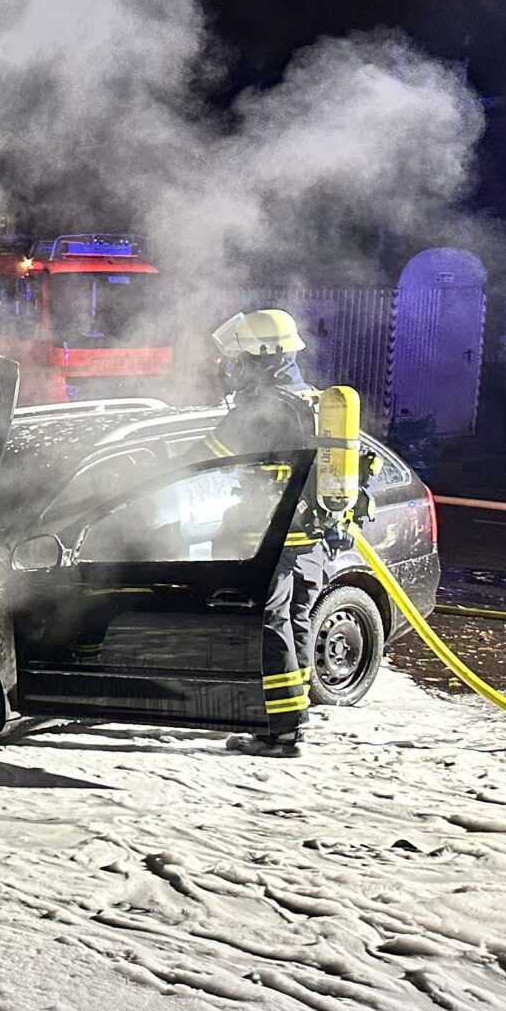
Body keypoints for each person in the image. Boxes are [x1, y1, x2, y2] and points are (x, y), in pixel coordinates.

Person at [204, 308, 325, 758]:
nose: (232, 368)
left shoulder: (264, 406)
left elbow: (205, 458)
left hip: (270, 531)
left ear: (263, 357)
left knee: (266, 627)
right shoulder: (303, 396)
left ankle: (282, 733)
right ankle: (295, 715)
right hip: (305, 533)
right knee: (292, 621)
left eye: (240, 359)